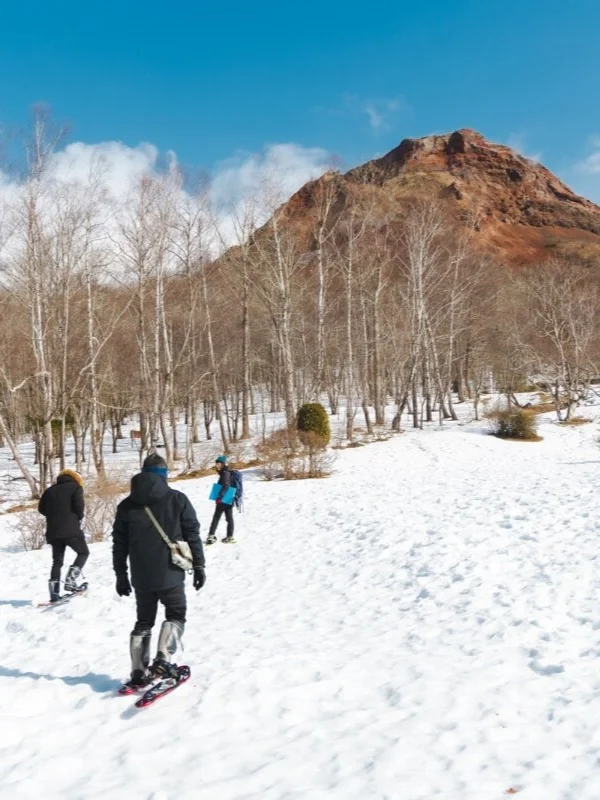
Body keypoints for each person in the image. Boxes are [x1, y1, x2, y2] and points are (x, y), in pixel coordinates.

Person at [112, 452, 206, 689]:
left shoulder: (126, 505)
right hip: (170, 572)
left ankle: (138, 671)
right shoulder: (177, 499)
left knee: (144, 621)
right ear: (164, 474)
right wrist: (199, 565)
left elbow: (119, 544)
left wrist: (121, 575)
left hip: (140, 575)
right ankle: (163, 658)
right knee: (175, 613)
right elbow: (192, 534)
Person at [38, 469, 89, 603]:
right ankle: (70, 581)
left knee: (57, 562)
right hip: (71, 529)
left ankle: (54, 593)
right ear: (77, 479)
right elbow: (79, 507)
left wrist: (54, 515)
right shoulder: (76, 488)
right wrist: (77, 517)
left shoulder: (49, 491)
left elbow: (41, 509)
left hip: (53, 531)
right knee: (83, 553)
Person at [206, 455, 235, 545]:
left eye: (219, 463)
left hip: (223, 499)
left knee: (217, 517)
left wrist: (220, 497)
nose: (217, 465)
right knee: (229, 518)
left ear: (223, 464)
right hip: (228, 497)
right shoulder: (225, 472)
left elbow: (226, 486)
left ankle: (211, 536)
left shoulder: (225, 473)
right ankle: (229, 537)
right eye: (216, 463)